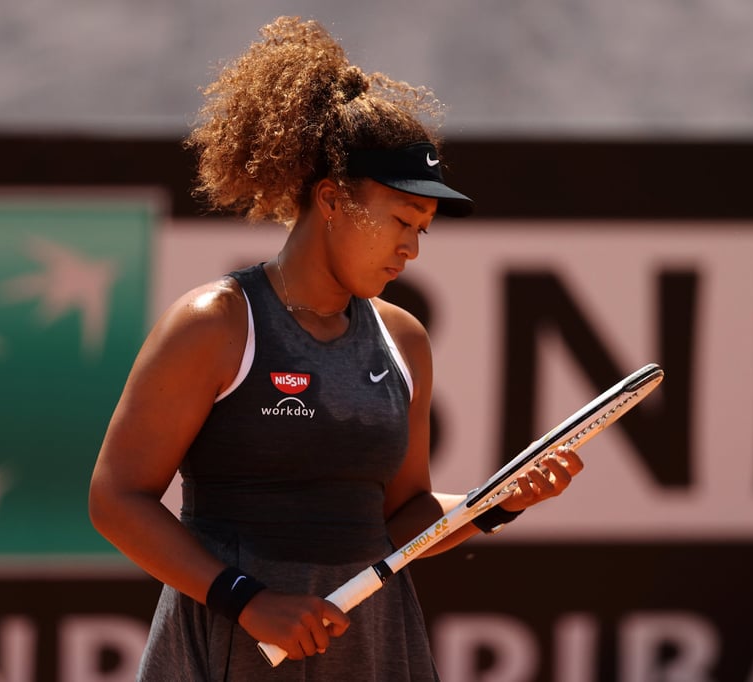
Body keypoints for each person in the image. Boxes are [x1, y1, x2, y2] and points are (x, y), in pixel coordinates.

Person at [88, 16, 583, 681]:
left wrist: (495, 504)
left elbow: (402, 519)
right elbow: (116, 497)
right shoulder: (217, 323)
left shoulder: (404, 339)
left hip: (374, 644)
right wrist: (249, 602)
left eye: (423, 231)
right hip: (235, 639)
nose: (411, 248)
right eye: (401, 221)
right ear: (332, 199)